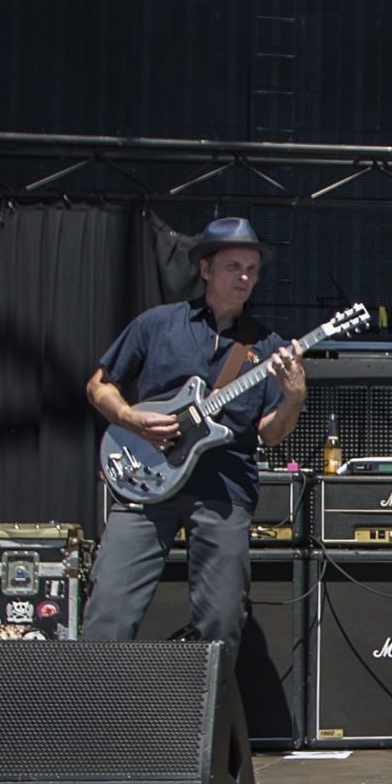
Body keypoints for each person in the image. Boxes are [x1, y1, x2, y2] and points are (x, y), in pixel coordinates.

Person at [81, 217, 307, 663]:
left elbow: (270, 434)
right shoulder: (158, 324)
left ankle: (203, 723)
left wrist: (294, 399)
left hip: (223, 492)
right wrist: (130, 418)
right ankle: (95, 716)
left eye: (252, 269)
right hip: (145, 484)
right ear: (205, 270)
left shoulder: (267, 347)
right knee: (109, 610)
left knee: (222, 622)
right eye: (233, 266)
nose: (244, 276)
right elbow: (98, 385)